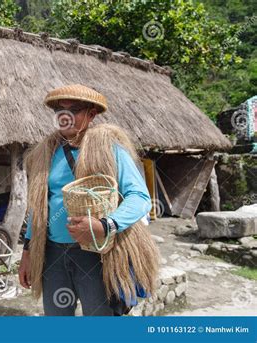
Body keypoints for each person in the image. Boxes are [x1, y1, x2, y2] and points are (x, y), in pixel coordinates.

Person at [18, 84, 158, 316]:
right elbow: (38, 207)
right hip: (53, 254)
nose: (65, 116)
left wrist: (105, 225)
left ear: (91, 114)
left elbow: (140, 197)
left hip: (97, 255)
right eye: (59, 111)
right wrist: (27, 253)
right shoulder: (45, 153)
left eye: (74, 109)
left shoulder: (109, 149)